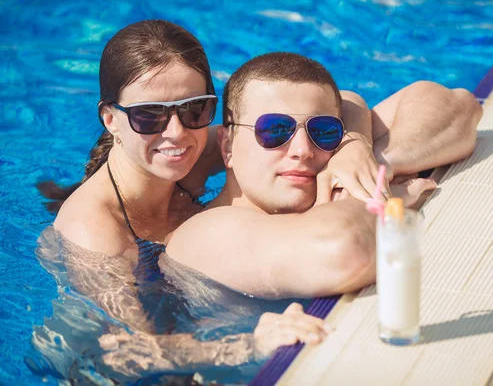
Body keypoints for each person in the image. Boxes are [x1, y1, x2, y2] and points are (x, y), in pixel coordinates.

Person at [31, 20, 333, 382]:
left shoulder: (193, 150)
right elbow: (130, 351)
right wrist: (250, 346)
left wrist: (352, 150)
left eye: (194, 110)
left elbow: (341, 104)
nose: (176, 132)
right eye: (148, 115)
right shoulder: (94, 229)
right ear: (111, 119)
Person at [165, 52, 481, 299]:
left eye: (324, 131)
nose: (303, 149)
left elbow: (458, 106)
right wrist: (382, 195)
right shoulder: (204, 231)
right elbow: (345, 250)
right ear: (228, 146)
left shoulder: (344, 156)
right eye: (276, 130)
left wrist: (367, 160)